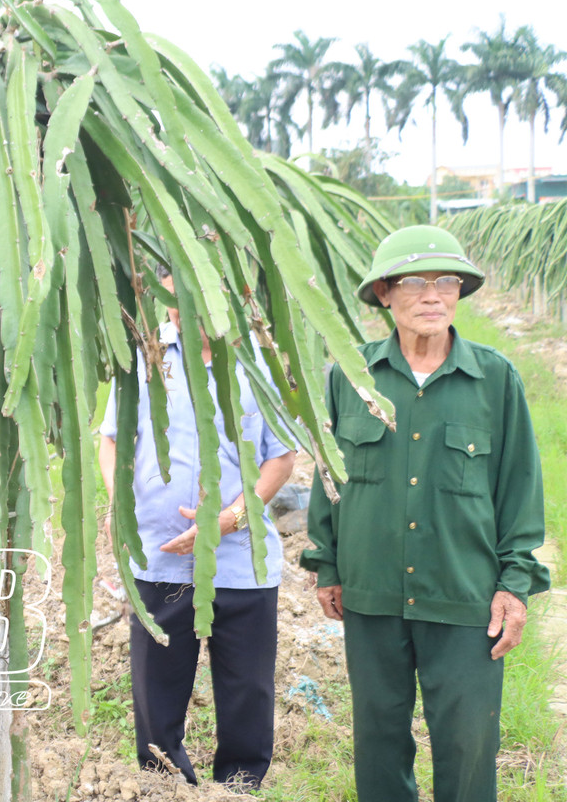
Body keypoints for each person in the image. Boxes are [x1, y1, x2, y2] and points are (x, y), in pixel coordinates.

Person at [300, 224, 550, 802]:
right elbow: (328, 474)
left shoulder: (495, 379)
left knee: (467, 745)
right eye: (414, 281)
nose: (432, 294)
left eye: (446, 281)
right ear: (385, 294)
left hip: (464, 597)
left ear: (459, 291)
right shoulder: (350, 375)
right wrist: (328, 565)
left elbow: (518, 491)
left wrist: (514, 586)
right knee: (379, 738)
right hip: (372, 593)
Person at [98, 270, 296, 790]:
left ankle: (239, 789)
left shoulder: (258, 364)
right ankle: (165, 788)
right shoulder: (143, 358)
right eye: (173, 288)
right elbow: (112, 441)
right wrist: (120, 505)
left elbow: (280, 459)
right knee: (156, 698)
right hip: (159, 559)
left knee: (247, 694)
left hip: (241, 561)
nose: (186, 301)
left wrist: (227, 519)